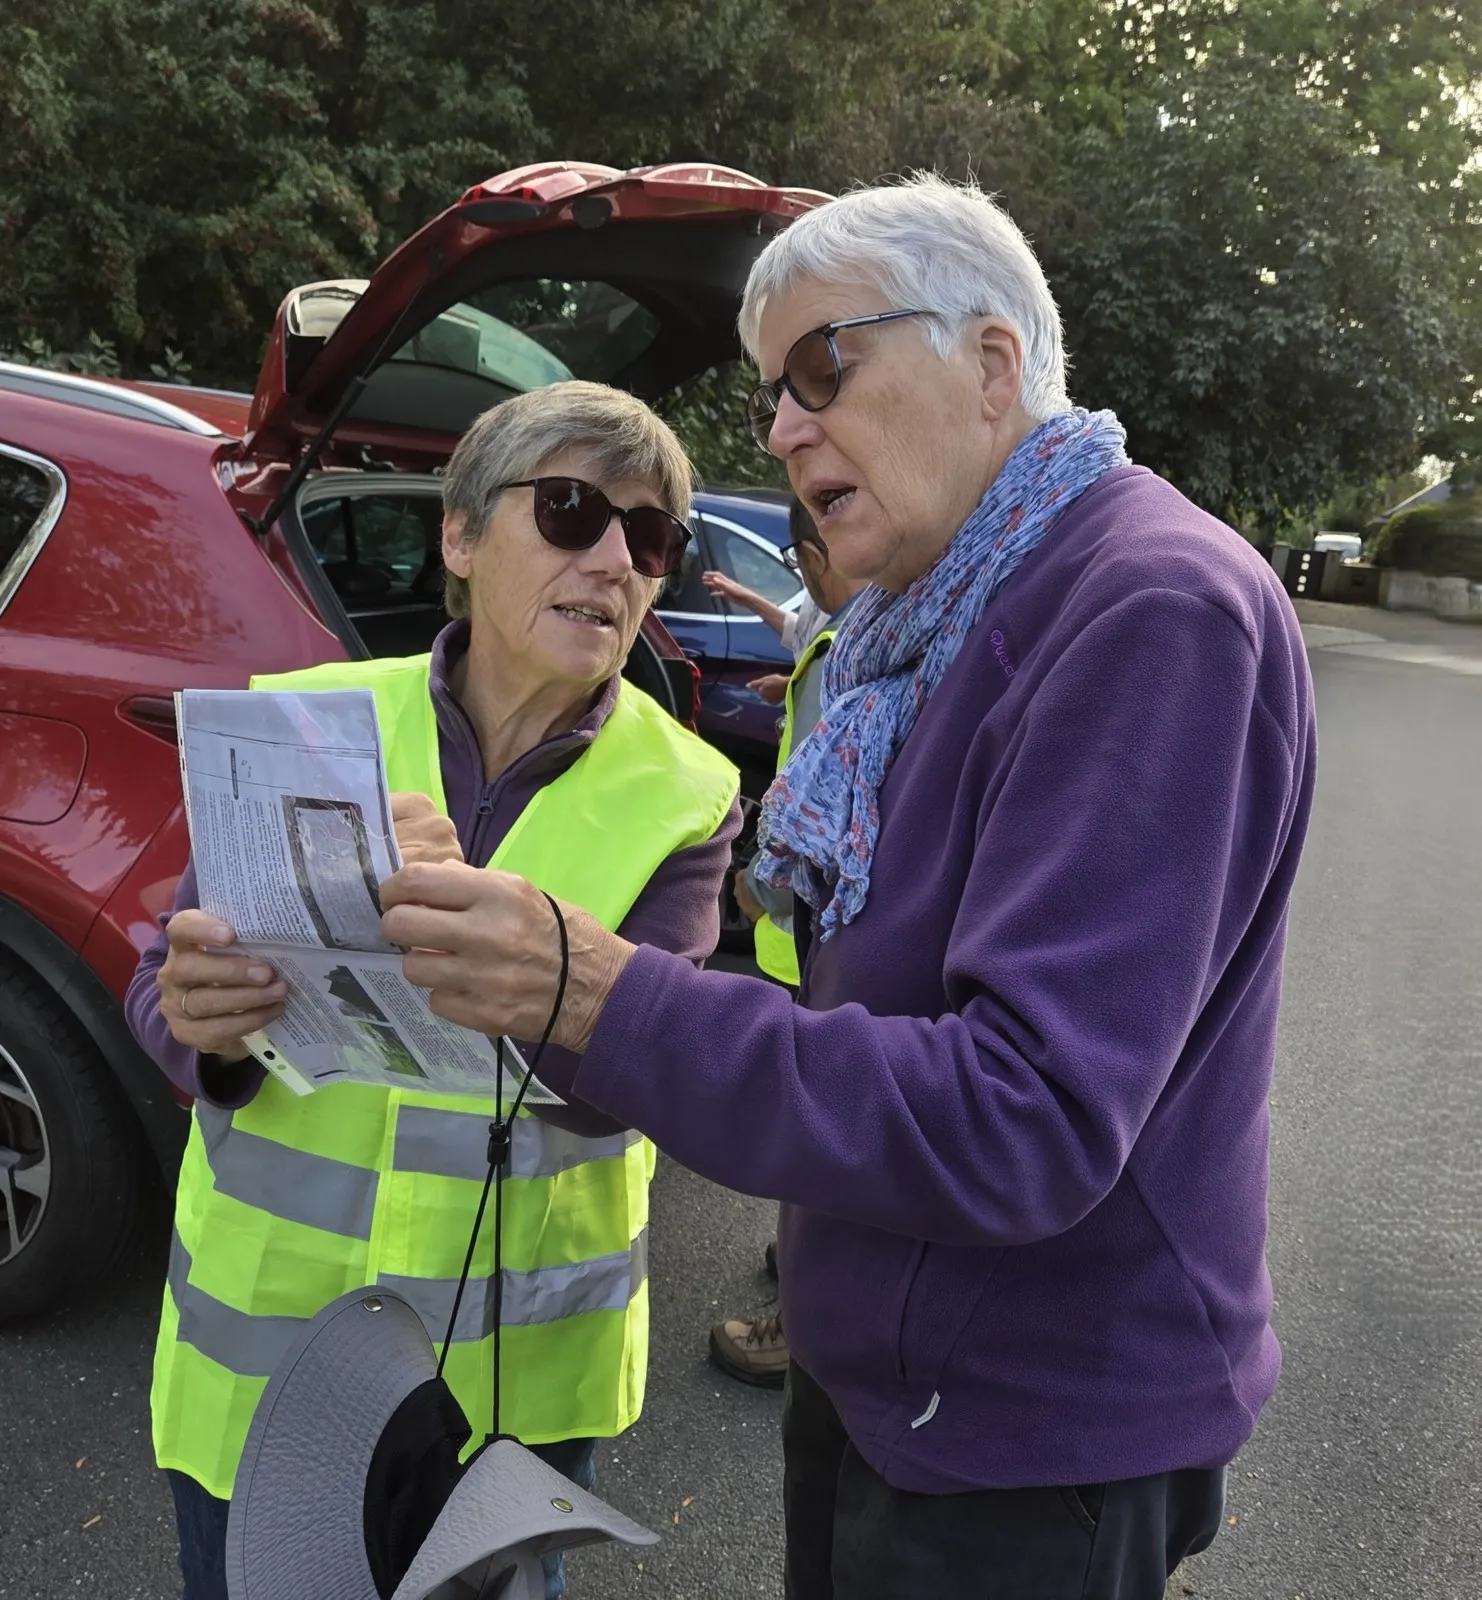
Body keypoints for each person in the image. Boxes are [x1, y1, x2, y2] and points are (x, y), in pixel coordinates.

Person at [375, 175, 1316, 1599]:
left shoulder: (1150, 606)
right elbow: (865, 989)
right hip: (893, 1365)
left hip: (1021, 1425)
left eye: (822, 366)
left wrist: (600, 993)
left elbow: (1026, 1118)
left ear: (990, 362)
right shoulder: (929, 617)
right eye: (771, 392)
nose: (780, 428)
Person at [123, 381, 742, 1600]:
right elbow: (164, 990)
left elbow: (654, 1078)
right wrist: (202, 1021)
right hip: (268, 1358)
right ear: (460, 536)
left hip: (506, 1406)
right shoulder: (303, 724)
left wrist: (513, 949)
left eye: (649, 535)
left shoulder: (691, 794)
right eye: (570, 512)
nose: (614, 559)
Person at [709, 499, 868, 1389]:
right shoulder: (874, 629)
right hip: (823, 932)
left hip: (816, 927)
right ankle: (800, 1253)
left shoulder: (857, 646)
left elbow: (822, 811)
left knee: (817, 1111)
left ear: (815, 555)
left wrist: (759, 885)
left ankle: (802, 1321)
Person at [702, 496, 834, 705]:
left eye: (796, 556)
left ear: (813, 557)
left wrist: (789, 686)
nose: (799, 566)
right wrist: (749, 599)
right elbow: (803, 633)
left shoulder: (858, 618)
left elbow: (836, 676)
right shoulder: (821, 597)